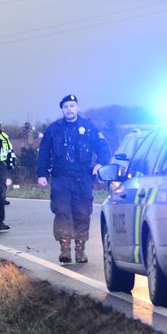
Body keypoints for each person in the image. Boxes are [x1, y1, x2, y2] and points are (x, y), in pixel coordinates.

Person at [36, 94, 110, 263]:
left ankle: (80, 249)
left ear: (77, 107)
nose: (69, 109)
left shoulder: (88, 127)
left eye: (72, 106)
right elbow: (44, 153)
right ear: (62, 110)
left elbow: (103, 148)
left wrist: (100, 164)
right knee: (62, 212)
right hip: (61, 178)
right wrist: (42, 174)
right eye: (66, 107)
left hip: (83, 178)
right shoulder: (54, 129)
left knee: (82, 213)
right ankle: (65, 249)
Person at [0, 121, 15, 205]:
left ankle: (2, 198)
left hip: (2, 162)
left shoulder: (5, 137)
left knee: (2, 180)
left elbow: (10, 149)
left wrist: (11, 161)